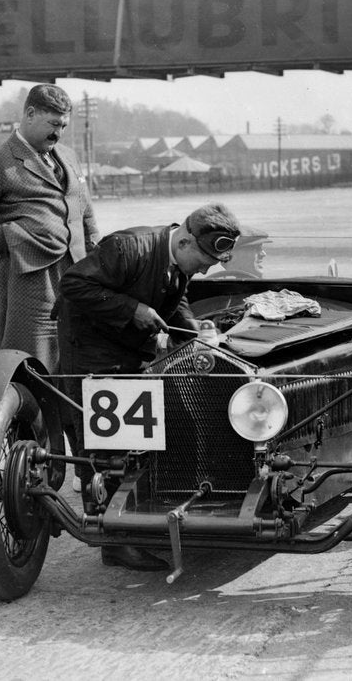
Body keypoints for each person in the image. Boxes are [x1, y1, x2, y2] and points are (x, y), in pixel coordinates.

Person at [57, 202, 242, 571]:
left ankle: (142, 515)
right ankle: (113, 542)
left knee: (143, 435)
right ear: (186, 243)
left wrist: (198, 333)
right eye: (205, 260)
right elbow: (72, 283)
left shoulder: (179, 258)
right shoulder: (128, 247)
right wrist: (132, 309)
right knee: (103, 445)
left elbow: (175, 297)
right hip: (91, 346)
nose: (207, 268)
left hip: (127, 344)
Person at [0, 83, 100, 371]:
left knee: (77, 363)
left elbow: (84, 211)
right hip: (27, 282)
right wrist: (16, 238)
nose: (58, 133)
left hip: (74, 276)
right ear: (30, 114)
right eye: (53, 124)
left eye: (64, 125)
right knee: (32, 366)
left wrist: (95, 254)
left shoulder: (67, 156)